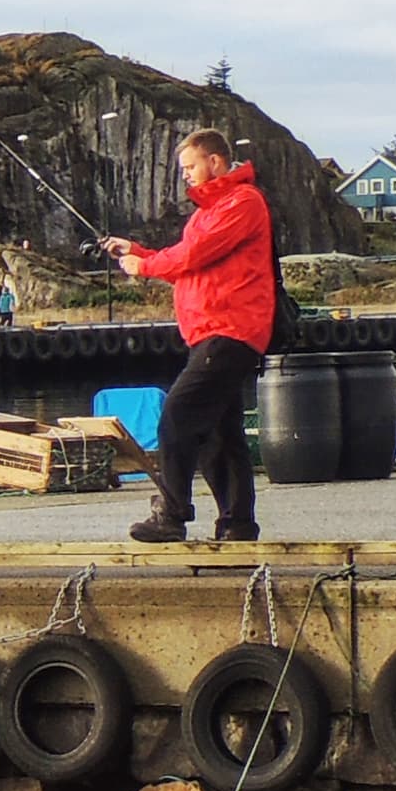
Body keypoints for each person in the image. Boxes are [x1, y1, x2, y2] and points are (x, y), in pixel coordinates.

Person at [105, 128, 276, 543]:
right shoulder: (209, 212)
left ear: (214, 162)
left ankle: (173, 511)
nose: (186, 175)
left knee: (177, 417)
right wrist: (140, 253)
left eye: (190, 166)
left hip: (231, 330)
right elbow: (189, 263)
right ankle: (237, 523)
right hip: (212, 332)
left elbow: (195, 255)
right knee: (221, 433)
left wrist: (144, 267)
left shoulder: (243, 202)